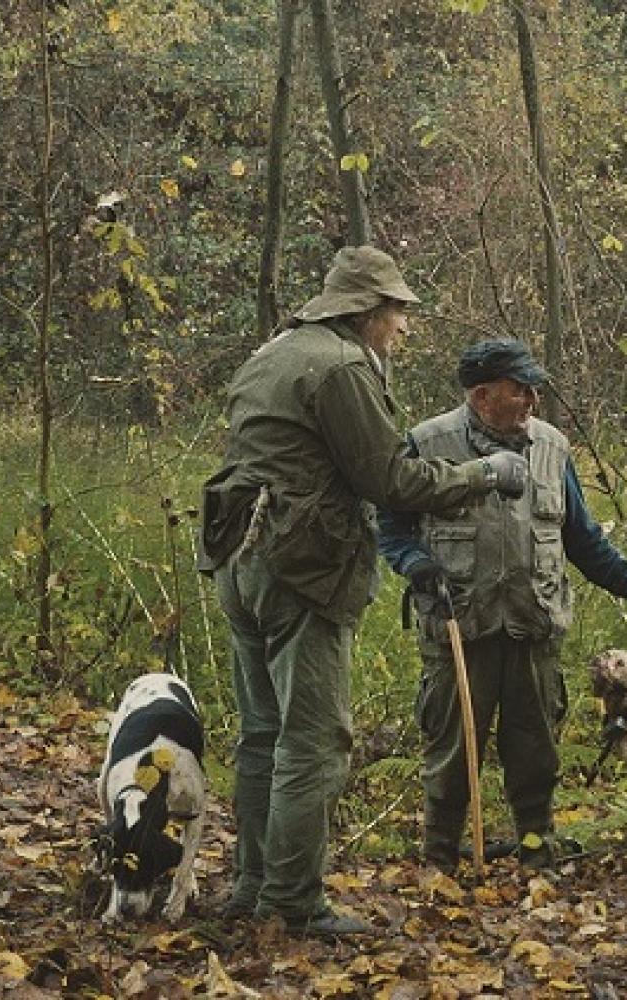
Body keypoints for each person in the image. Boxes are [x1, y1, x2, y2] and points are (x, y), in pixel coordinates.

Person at [196, 246, 529, 937]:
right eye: (399, 312)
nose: (406, 327)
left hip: (239, 559)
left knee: (262, 734)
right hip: (301, 566)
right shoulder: (342, 366)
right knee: (313, 741)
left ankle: (252, 886)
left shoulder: (274, 352)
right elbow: (392, 481)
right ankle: (292, 904)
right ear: (366, 311)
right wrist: (486, 474)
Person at [377, 339, 627, 873]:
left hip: (533, 628)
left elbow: (582, 538)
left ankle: (537, 854)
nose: (533, 397)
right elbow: (390, 526)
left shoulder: (553, 448)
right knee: (452, 755)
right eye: (521, 388)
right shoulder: (427, 443)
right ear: (483, 395)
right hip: (459, 627)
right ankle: (440, 862)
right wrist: (415, 563)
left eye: (535, 387)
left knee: (536, 755)